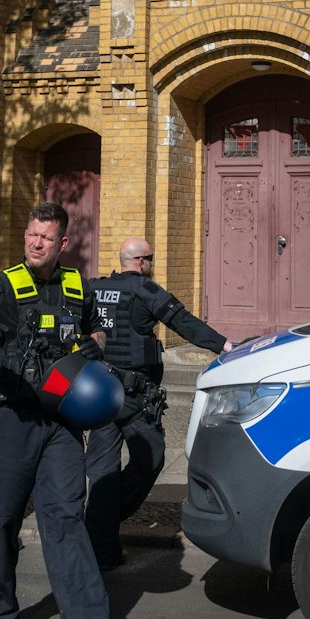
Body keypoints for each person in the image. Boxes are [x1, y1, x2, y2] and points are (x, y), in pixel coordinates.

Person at [0, 203, 126, 619]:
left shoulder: (76, 286)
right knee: (0, 521)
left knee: (66, 520)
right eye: (31, 234)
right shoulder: (2, 284)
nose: (35, 242)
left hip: (62, 422)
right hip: (12, 419)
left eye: (44, 237)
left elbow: (97, 331)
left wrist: (93, 344)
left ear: (63, 243)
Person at [84, 237, 228, 570]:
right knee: (150, 456)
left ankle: (100, 534)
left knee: (102, 471)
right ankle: (102, 524)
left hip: (99, 391)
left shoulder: (94, 287)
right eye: (152, 259)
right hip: (133, 397)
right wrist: (224, 344)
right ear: (142, 262)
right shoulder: (146, 291)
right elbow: (185, 323)